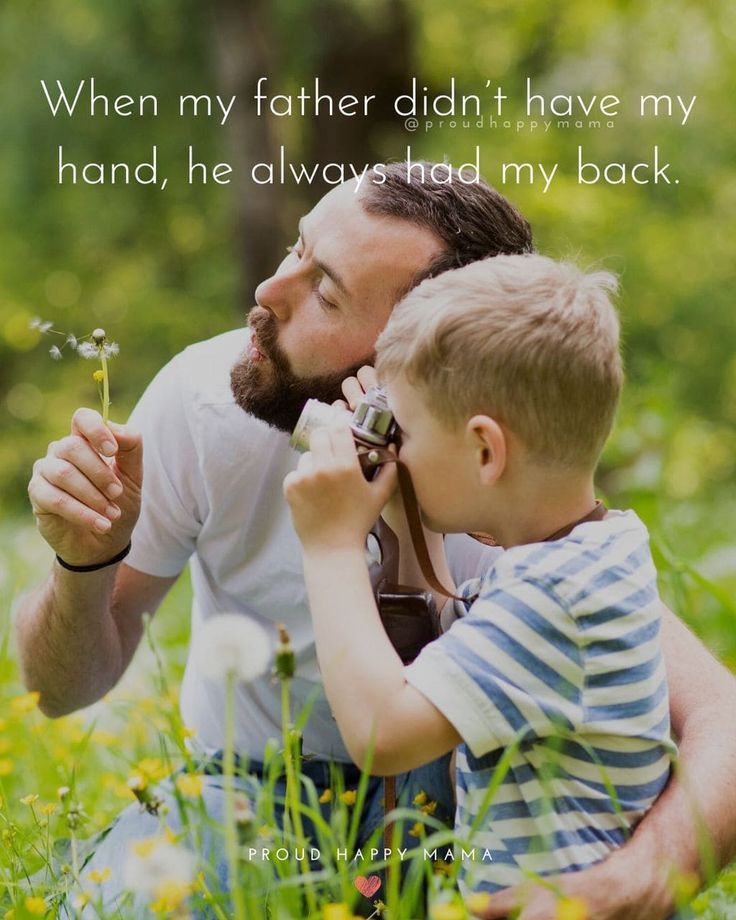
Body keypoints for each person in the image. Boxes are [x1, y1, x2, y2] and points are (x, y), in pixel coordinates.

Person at [17, 164, 736, 919]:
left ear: (432, 355)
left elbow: (720, 714)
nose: (267, 293)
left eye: (325, 292)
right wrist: (82, 560)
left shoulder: (514, 494)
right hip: (257, 795)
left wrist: (645, 874)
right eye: (297, 249)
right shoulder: (208, 405)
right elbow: (57, 691)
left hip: (457, 810)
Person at [284, 253, 676, 905]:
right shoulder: (596, 549)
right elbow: (468, 648)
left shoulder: (554, 595)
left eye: (400, 431)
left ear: (486, 450)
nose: (392, 450)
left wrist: (331, 547)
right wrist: (411, 524)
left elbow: (385, 735)